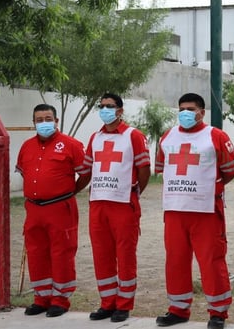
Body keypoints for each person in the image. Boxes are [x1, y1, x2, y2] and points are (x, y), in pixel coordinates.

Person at [154, 93, 234, 329]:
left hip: (206, 210)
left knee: (212, 261)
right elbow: (161, 167)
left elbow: (230, 170)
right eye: (181, 109)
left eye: (191, 109)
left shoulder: (215, 136)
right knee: (176, 260)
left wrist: (210, 188)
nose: (185, 113)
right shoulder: (168, 136)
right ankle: (178, 309)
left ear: (202, 112)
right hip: (175, 210)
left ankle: (218, 313)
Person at [75, 93, 151, 323]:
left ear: (120, 110)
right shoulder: (95, 138)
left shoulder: (133, 135)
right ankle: (107, 303)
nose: (105, 109)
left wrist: (136, 191)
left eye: (110, 106)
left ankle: (124, 305)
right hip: (98, 203)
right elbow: (87, 171)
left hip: (123, 204)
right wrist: (70, 190)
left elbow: (144, 169)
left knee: (125, 255)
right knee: (102, 255)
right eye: (102, 106)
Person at [16, 104, 86, 317]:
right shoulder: (27, 147)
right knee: (36, 252)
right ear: (34, 123)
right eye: (39, 119)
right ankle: (41, 297)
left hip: (60, 208)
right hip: (34, 209)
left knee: (61, 253)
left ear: (56, 121)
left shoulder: (71, 145)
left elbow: (85, 173)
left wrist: (68, 191)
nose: (44, 123)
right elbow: (23, 174)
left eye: (48, 118)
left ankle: (60, 299)